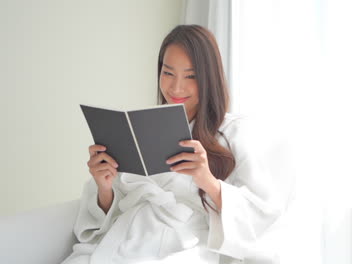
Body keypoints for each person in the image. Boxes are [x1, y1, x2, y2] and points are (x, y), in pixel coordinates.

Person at [62, 25, 282, 264]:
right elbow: (101, 218)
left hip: (184, 248)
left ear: (209, 78)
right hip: (126, 237)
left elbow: (263, 217)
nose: (176, 88)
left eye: (191, 76)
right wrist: (104, 188)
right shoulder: (143, 127)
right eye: (168, 73)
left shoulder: (236, 133)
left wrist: (207, 181)